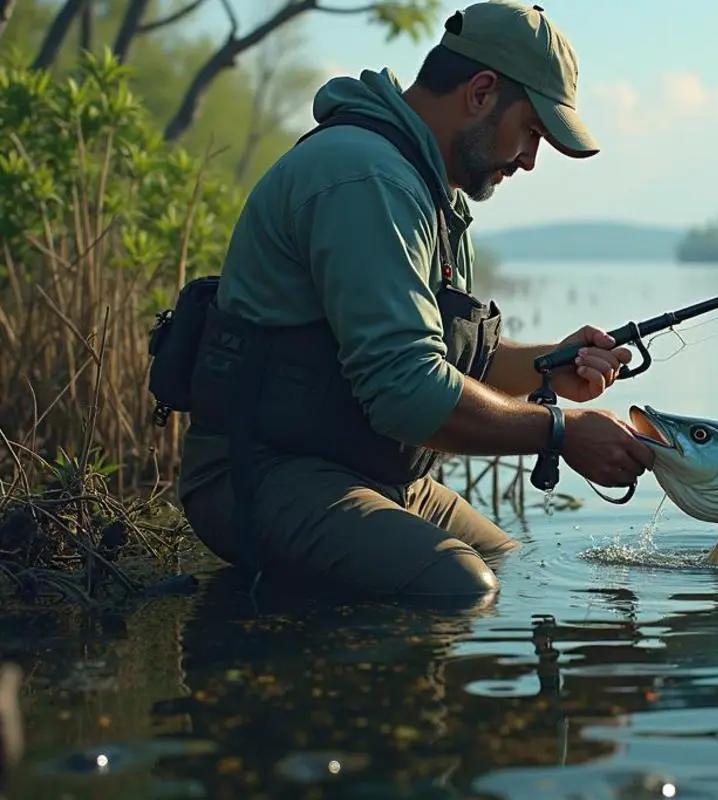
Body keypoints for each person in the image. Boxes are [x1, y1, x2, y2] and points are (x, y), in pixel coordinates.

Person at [171, 0, 656, 599]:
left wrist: (549, 367)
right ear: (481, 92)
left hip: (366, 472)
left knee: (517, 569)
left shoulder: (427, 189)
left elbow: (442, 361)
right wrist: (561, 431)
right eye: (532, 131)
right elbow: (407, 393)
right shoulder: (365, 177)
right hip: (266, 473)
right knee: (462, 586)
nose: (531, 159)